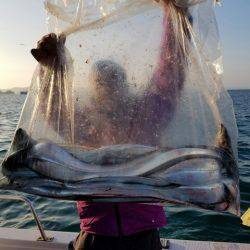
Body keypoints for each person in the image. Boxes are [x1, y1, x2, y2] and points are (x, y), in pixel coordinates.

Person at [31, 1, 192, 249]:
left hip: (144, 233)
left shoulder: (148, 115)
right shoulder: (82, 123)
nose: (109, 87)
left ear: (125, 84)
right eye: (102, 83)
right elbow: (53, 106)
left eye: (114, 80)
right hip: (95, 233)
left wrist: (176, 17)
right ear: (94, 90)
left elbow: (169, 74)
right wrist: (50, 68)